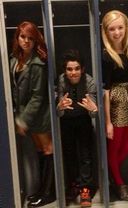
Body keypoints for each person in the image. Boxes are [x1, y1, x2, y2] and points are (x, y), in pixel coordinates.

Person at [9, 21, 55, 207]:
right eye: (23, 37)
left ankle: (48, 193)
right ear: (17, 38)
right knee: (39, 152)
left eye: (30, 38)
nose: (26, 41)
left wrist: (23, 121)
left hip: (38, 117)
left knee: (47, 150)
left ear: (36, 40)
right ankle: (41, 190)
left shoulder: (37, 64)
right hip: (26, 115)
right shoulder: (15, 60)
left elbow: (38, 96)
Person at [101, 10, 128, 201]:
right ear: (106, 32)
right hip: (116, 104)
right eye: (112, 29)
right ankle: (119, 183)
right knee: (115, 147)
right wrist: (108, 122)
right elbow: (105, 91)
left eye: (120, 27)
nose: (117, 32)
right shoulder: (107, 56)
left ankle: (109, 174)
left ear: (126, 28)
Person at [56, 49, 97, 207]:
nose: (73, 72)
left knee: (85, 156)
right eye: (69, 69)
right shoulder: (61, 81)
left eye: (76, 68)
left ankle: (85, 189)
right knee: (69, 155)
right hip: (66, 121)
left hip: (83, 120)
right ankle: (74, 186)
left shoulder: (89, 82)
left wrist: (93, 110)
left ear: (82, 69)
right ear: (65, 70)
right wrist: (59, 107)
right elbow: (59, 113)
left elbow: (93, 115)